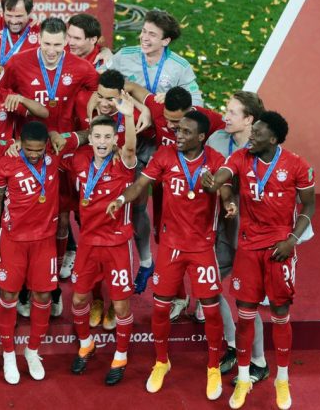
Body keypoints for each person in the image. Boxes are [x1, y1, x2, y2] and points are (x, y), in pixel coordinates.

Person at [201, 111, 316, 410]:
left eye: (258, 132)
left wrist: (292, 239)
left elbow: (309, 204)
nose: (251, 136)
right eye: (252, 131)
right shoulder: (241, 157)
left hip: (280, 247)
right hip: (249, 247)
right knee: (245, 315)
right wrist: (211, 181)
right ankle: (243, 378)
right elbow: (221, 179)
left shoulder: (297, 164)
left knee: (280, 314)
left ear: (273, 138)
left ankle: (282, 379)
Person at [108, 111, 225, 400]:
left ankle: (213, 367)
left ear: (201, 137)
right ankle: (162, 362)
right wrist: (121, 198)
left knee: (211, 311)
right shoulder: (164, 155)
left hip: (202, 247)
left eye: (185, 132)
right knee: (160, 309)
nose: (177, 135)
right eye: (177, 129)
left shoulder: (215, 160)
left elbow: (226, 191)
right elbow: (140, 184)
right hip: (171, 246)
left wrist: (225, 198)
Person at [2, 16, 99, 316]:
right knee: (24, 218)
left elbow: (102, 92)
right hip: (28, 151)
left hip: (61, 152)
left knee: (60, 219)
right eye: (47, 44)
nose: (52, 50)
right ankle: (20, 286)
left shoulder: (82, 68)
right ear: (38, 39)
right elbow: (2, 92)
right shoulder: (18, 62)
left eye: (58, 45)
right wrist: (14, 116)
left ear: (66, 42)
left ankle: (51, 286)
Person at [0, 121, 81, 384]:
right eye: (28, 149)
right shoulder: (7, 161)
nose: (33, 154)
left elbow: (87, 135)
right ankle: (8, 354)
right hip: (12, 240)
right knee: (8, 295)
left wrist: (55, 133)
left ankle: (32, 351)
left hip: (44, 242)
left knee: (42, 295)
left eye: (38, 150)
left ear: (46, 146)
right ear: (21, 143)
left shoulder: (54, 153)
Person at [123, 82, 224, 317]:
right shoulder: (158, 107)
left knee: (204, 246)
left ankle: (204, 298)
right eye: (167, 120)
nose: (170, 126)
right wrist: (145, 108)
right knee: (166, 240)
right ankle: (180, 297)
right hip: (166, 191)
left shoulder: (208, 119)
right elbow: (128, 86)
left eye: (176, 123)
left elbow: (234, 130)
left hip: (200, 194)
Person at [71, 69, 150, 328]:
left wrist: (130, 115)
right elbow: (82, 135)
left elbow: (130, 148)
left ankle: (137, 272)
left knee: (135, 211)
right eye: (101, 96)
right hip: (92, 177)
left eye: (111, 98)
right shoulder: (88, 104)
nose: (105, 103)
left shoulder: (131, 114)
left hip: (122, 169)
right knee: (89, 223)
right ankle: (96, 300)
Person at [67, 94, 137, 387]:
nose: (102, 141)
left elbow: (130, 147)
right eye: (97, 136)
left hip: (117, 245)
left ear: (115, 139)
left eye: (108, 137)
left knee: (120, 306)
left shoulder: (124, 162)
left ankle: (120, 356)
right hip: (88, 243)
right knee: (79, 298)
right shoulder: (80, 160)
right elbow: (59, 145)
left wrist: (129, 116)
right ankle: (86, 344)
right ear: (91, 137)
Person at [205, 92, 269, 382]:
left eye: (232, 113)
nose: (225, 117)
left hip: (253, 236)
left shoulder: (265, 149)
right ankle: (232, 343)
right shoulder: (217, 140)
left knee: (247, 301)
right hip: (224, 228)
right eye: (226, 110)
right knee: (208, 286)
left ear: (249, 119)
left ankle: (258, 361)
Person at [106, 9, 203, 106]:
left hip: (162, 114)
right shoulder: (124, 55)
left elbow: (196, 100)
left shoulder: (180, 67)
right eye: (144, 31)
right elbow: (101, 75)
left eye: (152, 34)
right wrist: (103, 50)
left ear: (165, 41)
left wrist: (173, 99)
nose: (144, 38)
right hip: (128, 112)